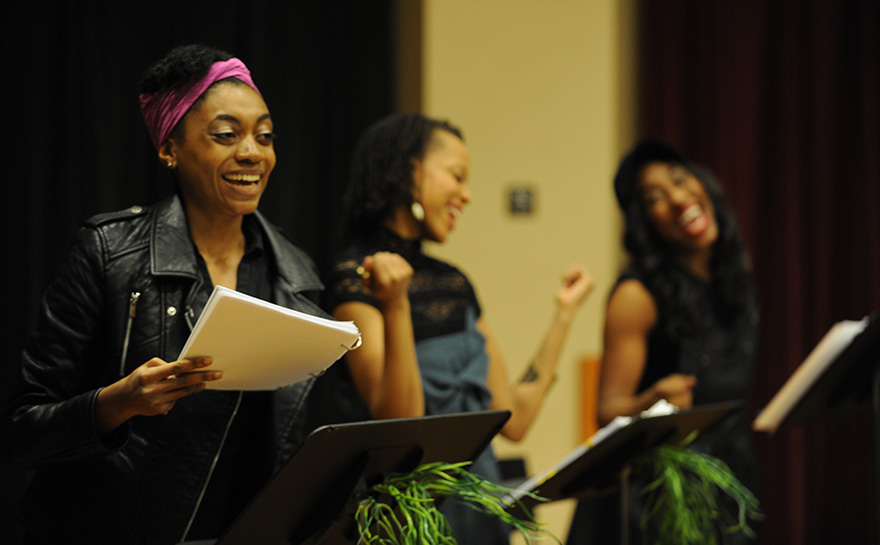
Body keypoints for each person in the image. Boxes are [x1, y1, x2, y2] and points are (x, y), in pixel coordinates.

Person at [0, 44, 328, 545]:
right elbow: (24, 431)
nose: (252, 152)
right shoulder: (109, 253)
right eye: (226, 135)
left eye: (265, 136)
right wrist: (117, 403)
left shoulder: (296, 276)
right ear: (169, 148)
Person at [309, 113, 594, 545]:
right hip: (409, 522)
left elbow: (513, 420)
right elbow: (399, 426)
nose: (467, 194)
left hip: (477, 514)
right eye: (456, 176)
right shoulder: (355, 277)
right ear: (410, 170)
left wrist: (564, 315)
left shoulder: (455, 283)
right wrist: (395, 303)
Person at [566, 139, 760, 544]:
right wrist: (653, 397)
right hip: (656, 500)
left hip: (726, 474)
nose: (677, 198)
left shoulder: (731, 276)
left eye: (679, 179)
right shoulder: (637, 296)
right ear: (644, 221)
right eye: (656, 197)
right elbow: (607, 411)